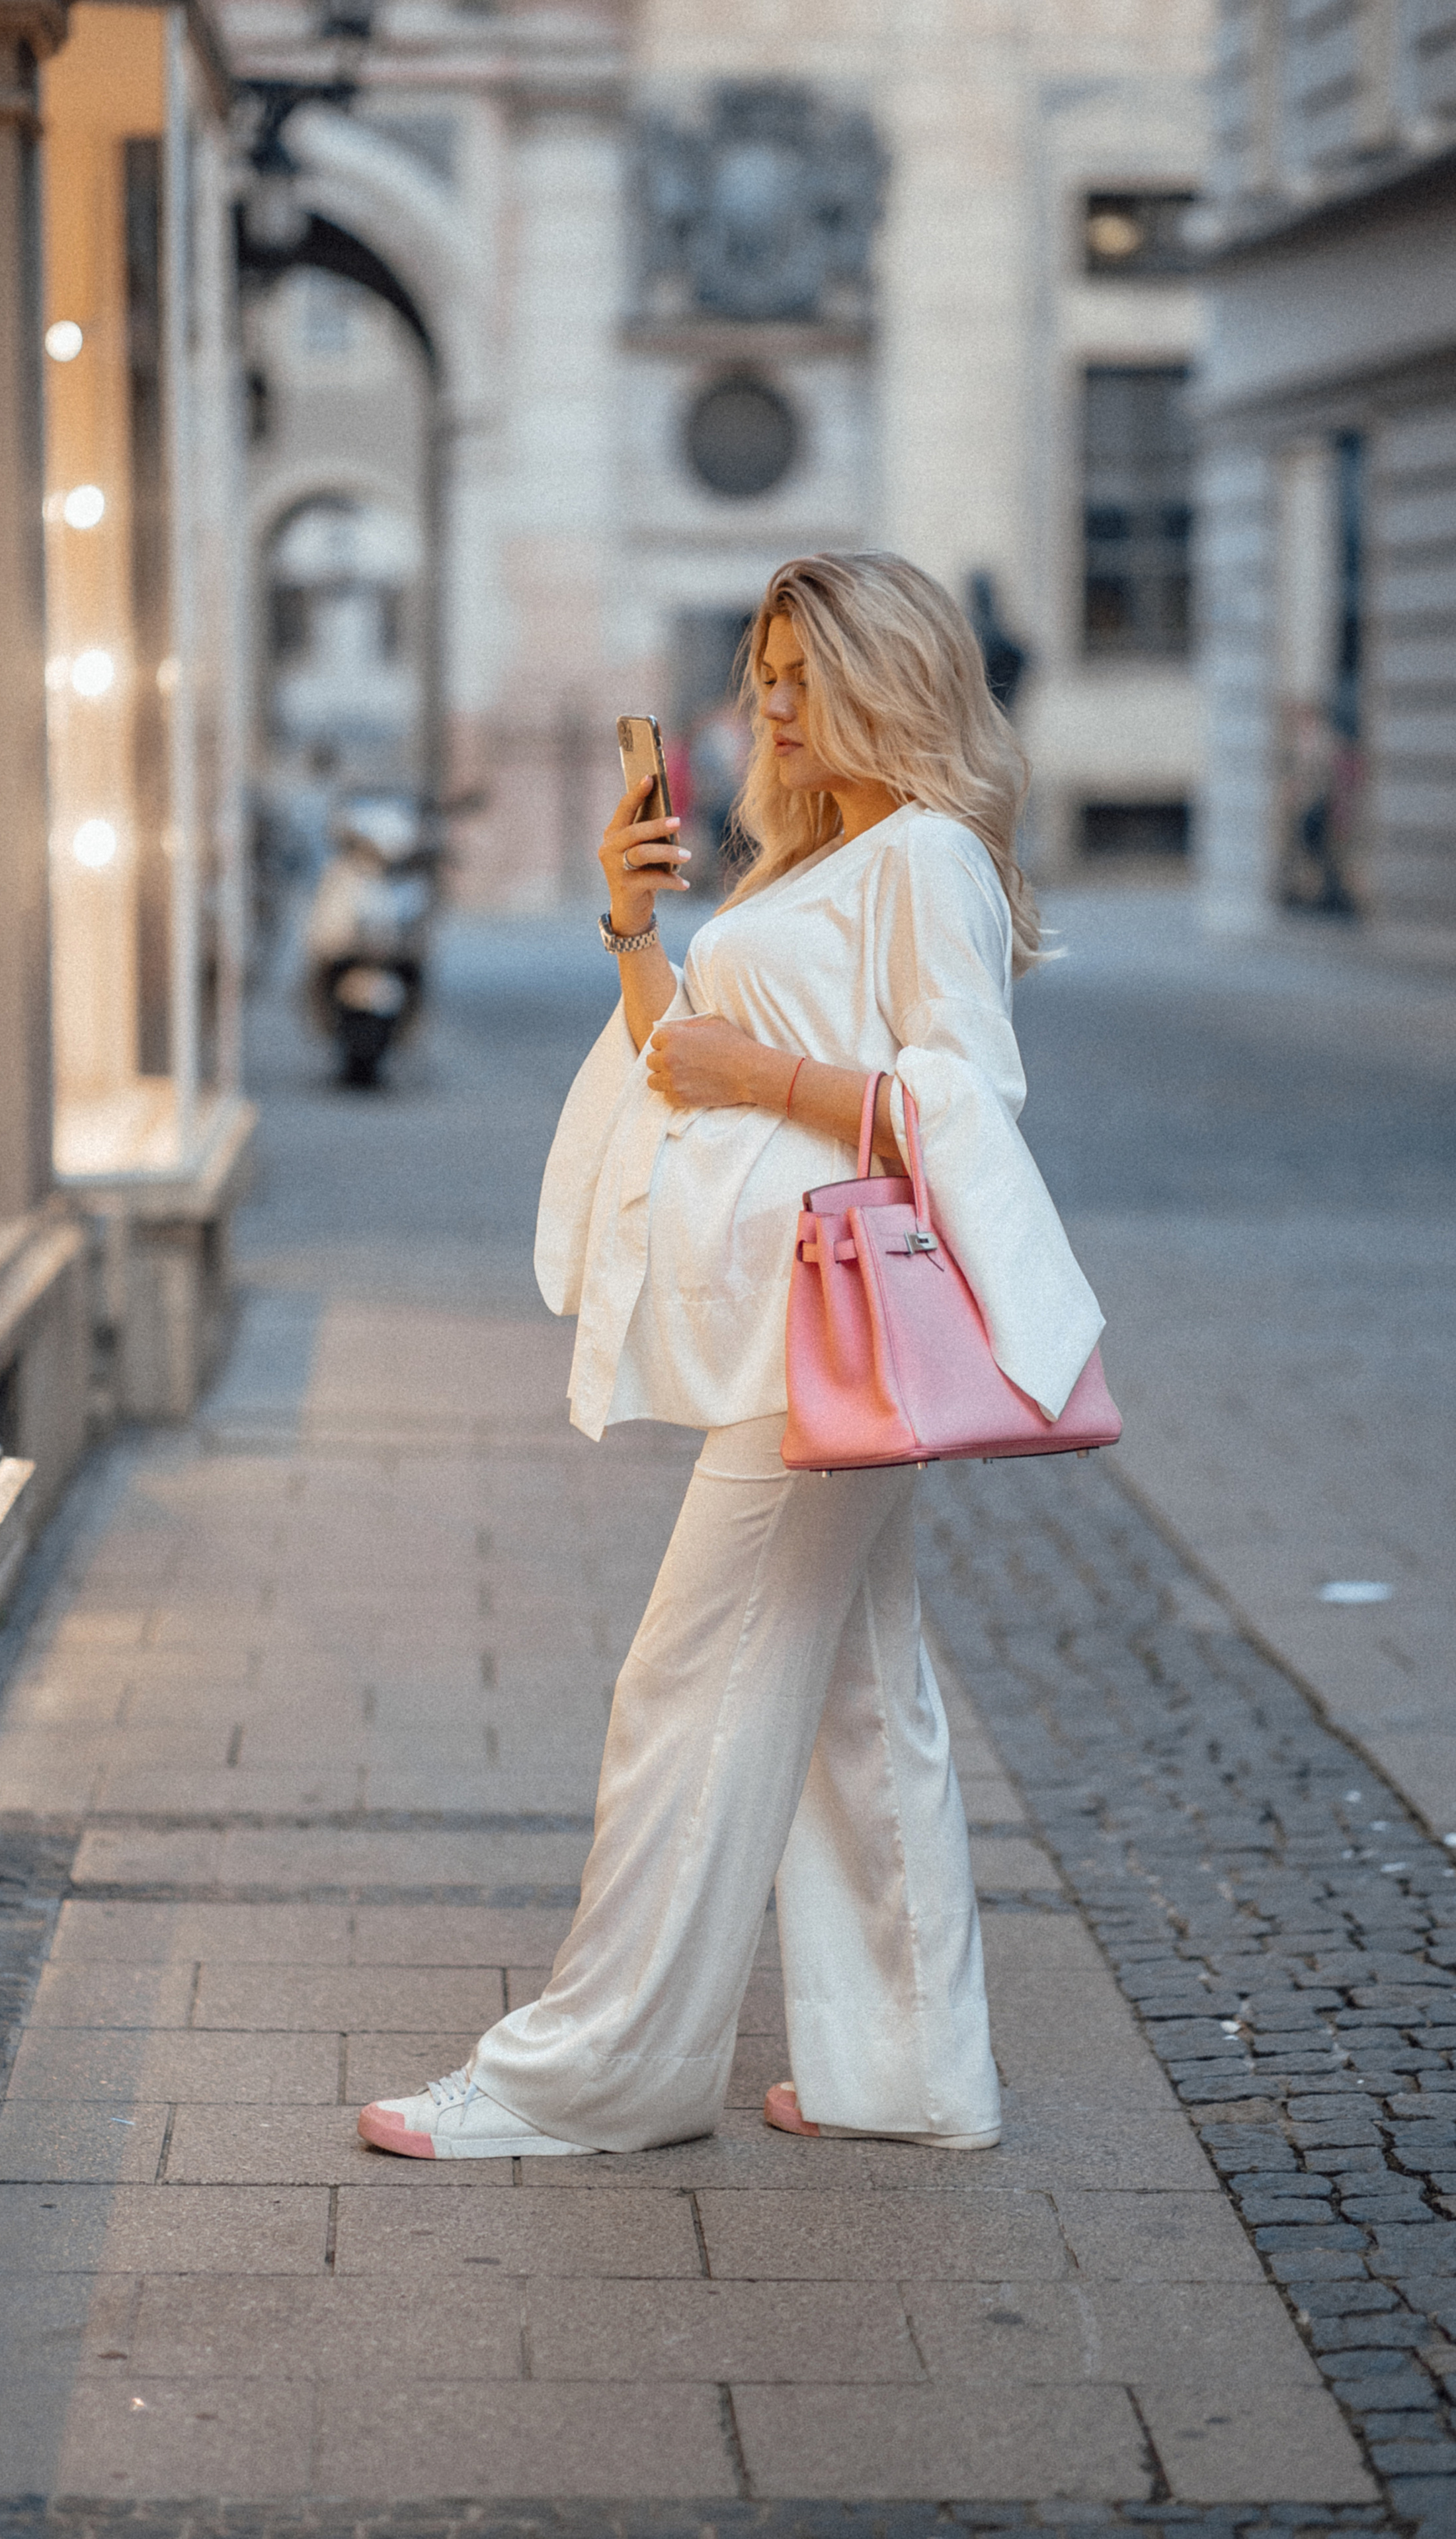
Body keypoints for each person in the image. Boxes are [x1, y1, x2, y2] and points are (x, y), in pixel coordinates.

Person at [358, 551, 1104, 2161]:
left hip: (821, 1329)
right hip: (794, 1322)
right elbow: (670, 1064)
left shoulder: (923, 857)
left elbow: (969, 1106)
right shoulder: (814, 861)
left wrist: (763, 1070)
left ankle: (594, 2074)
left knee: (683, 1689)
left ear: (885, 680)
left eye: (797, 674)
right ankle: (906, 2073)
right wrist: (633, 926)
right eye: (759, 669)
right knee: (855, 1692)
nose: (765, 702)